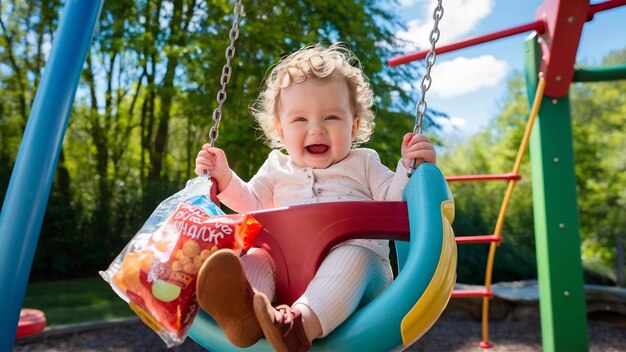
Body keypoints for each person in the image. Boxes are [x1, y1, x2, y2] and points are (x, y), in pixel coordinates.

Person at [194, 42, 436, 352]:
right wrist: (224, 177)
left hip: (361, 276)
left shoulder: (364, 163)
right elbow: (252, 206)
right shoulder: (275, 167)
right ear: (281, 131)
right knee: (256, 258)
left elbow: (396, 201)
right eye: (300, 120)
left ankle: (297, 328)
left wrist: (409, 167)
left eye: (332, 118)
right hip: (286, 269)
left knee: (352, 255)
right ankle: (246, 314)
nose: (317, 129)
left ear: (355, 126)